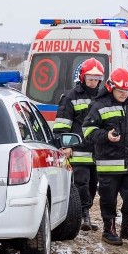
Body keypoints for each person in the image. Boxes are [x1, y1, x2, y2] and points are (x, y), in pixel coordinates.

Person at [82, 68, 128, 246]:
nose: (123, 95)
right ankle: (108, 229)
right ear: (111, 87)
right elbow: (87, 130)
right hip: (108, 164)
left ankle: (127, 228)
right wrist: (106, 136)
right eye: (120, 91)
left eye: (127, 92)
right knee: (108, 198)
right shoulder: (100, 105)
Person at [53, 58, 105, 231]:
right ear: (82, 77)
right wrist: (65, 144)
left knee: (92, 185)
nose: (93, 82)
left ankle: (85, 211)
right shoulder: (70, 97)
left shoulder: (103, 97)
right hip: (78, 149)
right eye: (90, 78)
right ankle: (84, 215)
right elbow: (61, 124)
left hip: (97, 151)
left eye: (96, 79)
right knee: (81, 182)